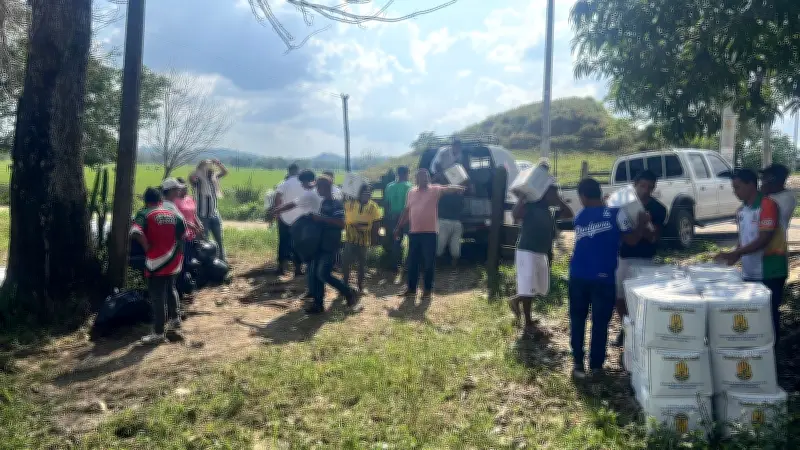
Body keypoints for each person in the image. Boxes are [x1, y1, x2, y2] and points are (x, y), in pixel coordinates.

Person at [569, 178, 648, 379]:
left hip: (578, 276)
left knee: (578, 320)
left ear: (583, 196)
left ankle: (577, 363)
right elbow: (631, 240)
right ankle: (596, 366)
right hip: (603, 278)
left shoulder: (579, 216)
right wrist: (641, 223)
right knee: (600, 322)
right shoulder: (616, 214)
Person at [716, 169, 788, 347]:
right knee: (753, 314)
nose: (735, 192)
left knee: (769, 315)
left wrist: (737, 253)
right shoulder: (741, 211)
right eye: (733, 188)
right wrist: (733, 255)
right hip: (749, 271)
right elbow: (744, 240)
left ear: (751, 185)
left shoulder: (767, 205)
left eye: (738, 187)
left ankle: (771, 352)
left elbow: (764, 239)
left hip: (771, 270)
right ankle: (756, 352)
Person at [508, 179, 572, 330]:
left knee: (537, 286)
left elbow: (569, 214)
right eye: (553, 193)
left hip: (542, 252)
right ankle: (528, 322)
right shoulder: (531, 206)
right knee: (528, 286)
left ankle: (516, 301)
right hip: (527, 250)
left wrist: (559, 201)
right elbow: (515, 214)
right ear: (544, 194)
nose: (555, 196)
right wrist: (522, 198)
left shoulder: (550, 211)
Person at [613, 170, 666, 347]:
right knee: (619, 297)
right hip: (623, 256)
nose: (646, 190)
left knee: (640, 299)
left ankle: (639, 332)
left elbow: (654, 237)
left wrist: (642, 225)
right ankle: (625, 328)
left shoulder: (658, 209)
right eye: (642, 186)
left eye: (650, 187)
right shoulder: (624, 205)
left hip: (645, 259)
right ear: (634, 185)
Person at [394, 168, 465, 299]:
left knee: (428, 262)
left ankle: (427, 289)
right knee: (413, 262)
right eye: (421, 177)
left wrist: (459, 188)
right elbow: (407, 211)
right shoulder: (411, 192)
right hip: (414, 232)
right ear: (416, 179)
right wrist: (398, 227)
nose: (424, 179)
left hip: (430, 233)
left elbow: (447, 188)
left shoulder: (435, 189)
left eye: (426, 176)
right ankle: (411, 288)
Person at [130, 187, 186, 345]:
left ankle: (159, 332)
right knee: (171, 288)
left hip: (156, 261)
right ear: (161, 200)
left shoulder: (145, 214)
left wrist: (146, 245)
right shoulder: (173, 214)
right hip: (174, 258)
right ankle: (175, 319)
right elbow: (183, 232)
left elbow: (135, 231)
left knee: (157, 296)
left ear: (146, 201)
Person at [342, 184, 382, 293]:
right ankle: (344, 285)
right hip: (350, 238)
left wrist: (374, 238)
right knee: (346, 262)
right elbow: (342, 209)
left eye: (369, 193)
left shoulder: (373, 206)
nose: (367, 195)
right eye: (364, 193)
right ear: (359, 194)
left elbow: (376, 223)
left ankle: (360, 286)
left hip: (364, 239)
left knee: (362, 264)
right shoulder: (350, 204)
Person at [189, 159, 228, 261]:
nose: (209, 169)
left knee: (219, 240)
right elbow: (191, 177)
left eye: (210, 167)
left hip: (214, 214)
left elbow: (225, 172)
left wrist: (218, 163)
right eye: (207, 167)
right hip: (202, 216)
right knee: (203, 241)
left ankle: (222, 261)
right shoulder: (198, 181)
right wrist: (200, 167)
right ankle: (206, 262)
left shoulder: (214, 178)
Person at [272, 164, 304, 276]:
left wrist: (277, 212)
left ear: (289, 171)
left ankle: (281, 268)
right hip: (299, 218)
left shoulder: (283, 183)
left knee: (283, 242)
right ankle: (298, 269)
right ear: (298, 171)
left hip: (284, 217)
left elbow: (277, 197)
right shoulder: (302, 184)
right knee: (298, 243)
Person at [383, 166, 413, 282]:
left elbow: (386, 203)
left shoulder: (389, 186)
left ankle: (395, 265)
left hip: (393, 217)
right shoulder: (409, 186)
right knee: (411, 240)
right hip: (406, 217)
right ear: (406, 174)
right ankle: (407, 265)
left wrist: (387, 217)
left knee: (396, 240)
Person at [434, 173, 465, 270]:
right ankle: (454, 264)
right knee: (455, 244)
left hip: (443, 221)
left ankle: (437, 264)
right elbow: (461, 207)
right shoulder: (460, 196)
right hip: (457, 222)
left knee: (440, 244)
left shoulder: (441, 194)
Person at [760, 163, 796, 240]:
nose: (762, 181)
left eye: (764, 178)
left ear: (772, 179)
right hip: (762, 237)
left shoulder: (787, 197)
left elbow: (770, 215)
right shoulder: (769, 194)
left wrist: (762, 195)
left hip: (776, 240)